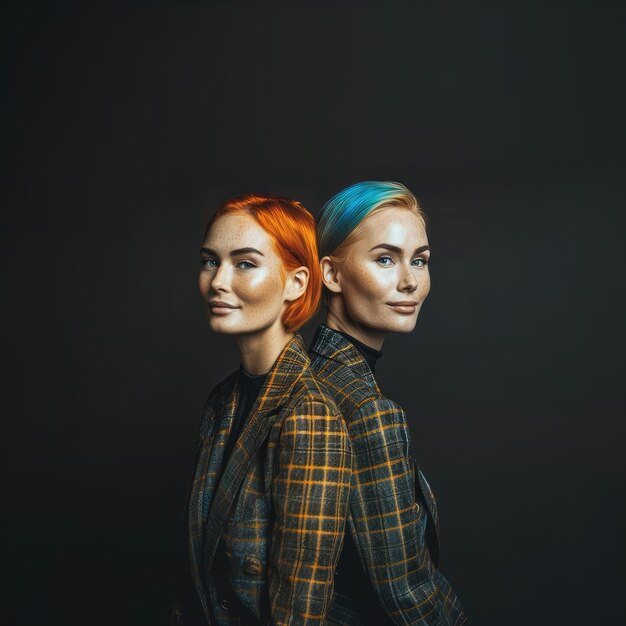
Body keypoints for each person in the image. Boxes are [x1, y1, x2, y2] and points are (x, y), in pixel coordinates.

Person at [182, 194, 353, 625]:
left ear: (296, 283)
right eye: (209, 261)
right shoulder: (222, 401)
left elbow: (300, 611)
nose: (218, 281)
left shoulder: (309, 414)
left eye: (244, 263)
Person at [308, 181, 466, 625]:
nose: (410, 280)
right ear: (331, 274)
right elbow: (408, 593)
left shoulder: (297, 375)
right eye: (385, 259)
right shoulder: (367, 411)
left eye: (419, 260)